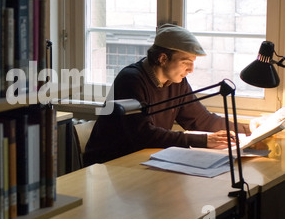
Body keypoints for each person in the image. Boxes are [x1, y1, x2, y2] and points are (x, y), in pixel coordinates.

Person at [84, 24, 251, 167]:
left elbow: (201, 120)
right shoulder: (131, 80)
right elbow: (144, 135)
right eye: (186, 62)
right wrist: (205, 140)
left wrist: (248, 128)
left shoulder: (177, 82)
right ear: (163, 58)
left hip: (142, 161)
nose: (191, 70)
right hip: (110, 165)